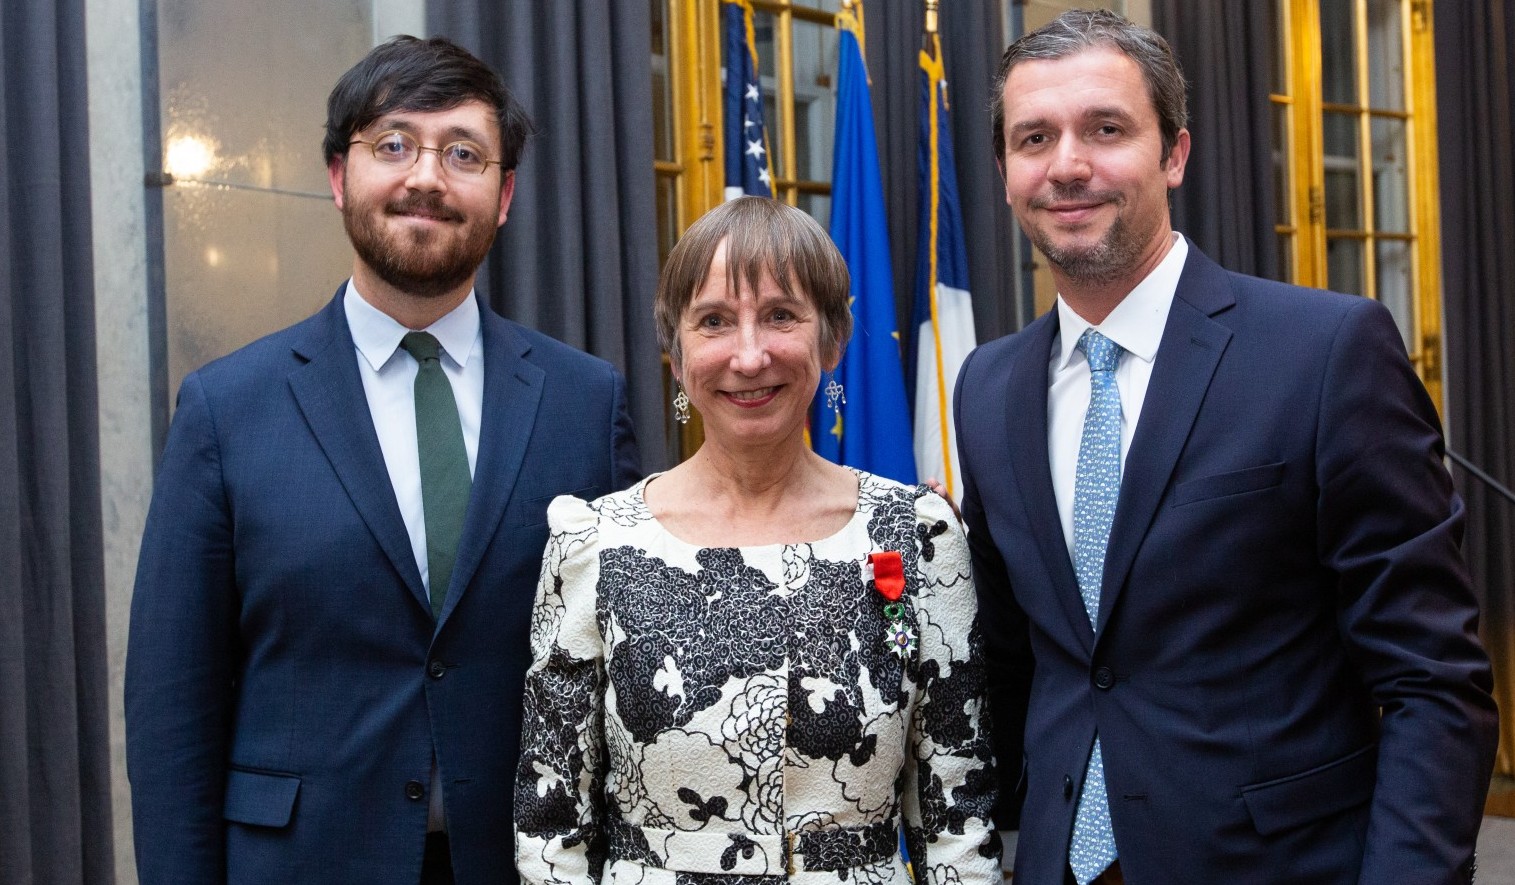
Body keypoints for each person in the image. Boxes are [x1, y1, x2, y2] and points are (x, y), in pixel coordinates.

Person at [956, 9, 1498, 884]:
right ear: (1004, 170)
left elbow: (1433, 682)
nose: (1066, 164)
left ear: (1173, 152)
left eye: (1105, 128)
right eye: (1033, 138)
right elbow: (1015, 665)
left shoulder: (1323, 352)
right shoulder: (985, 388)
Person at [125, 35, 640, 885]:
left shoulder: (586, 401)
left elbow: (627, 671)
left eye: (464, 153)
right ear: (338, 175)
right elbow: (172, 702)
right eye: (392, 144)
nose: (426, 177)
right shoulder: (226, 408)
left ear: (503, 194)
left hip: (527, 863)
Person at [514, 196, 1000, 885]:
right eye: (713, 321)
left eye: (780, 315)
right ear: (676, 357)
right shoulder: (593, 540)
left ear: (832, 340)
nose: (749, 354)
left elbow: (959, 810)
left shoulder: (916, 534)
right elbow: (548, 818)